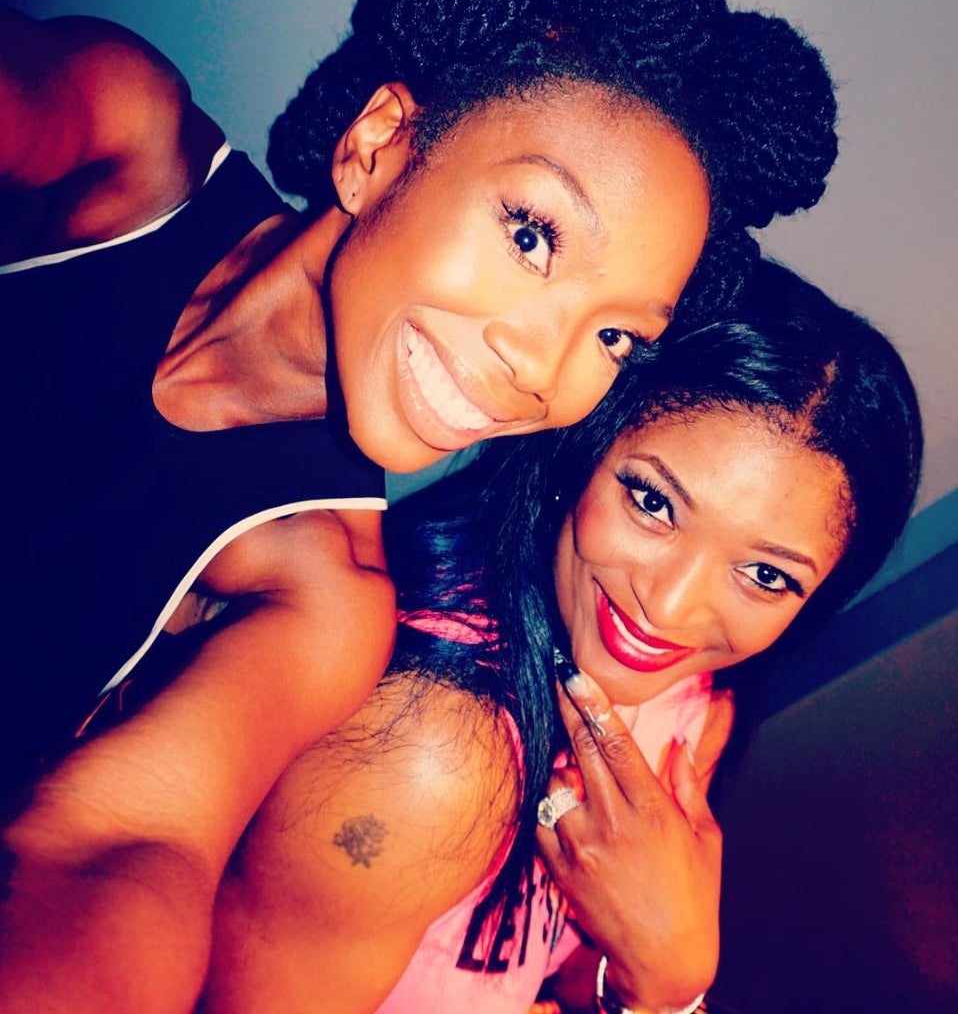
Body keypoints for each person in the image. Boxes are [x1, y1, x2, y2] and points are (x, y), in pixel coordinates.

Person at [0, 0, 837, 1008]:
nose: (543, 366)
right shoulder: (116, 139)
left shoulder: (323, 596)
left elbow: (123, 847)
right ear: (378, 146)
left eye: (614, 336)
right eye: (532, 235)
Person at [198, 262, 923, 1014]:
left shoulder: (697, 703)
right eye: (652, 502)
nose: (669, 609)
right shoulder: (426, 756)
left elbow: (570, 968)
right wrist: (672, 989)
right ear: (585, 447)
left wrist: (652, 971)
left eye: (766, 576)